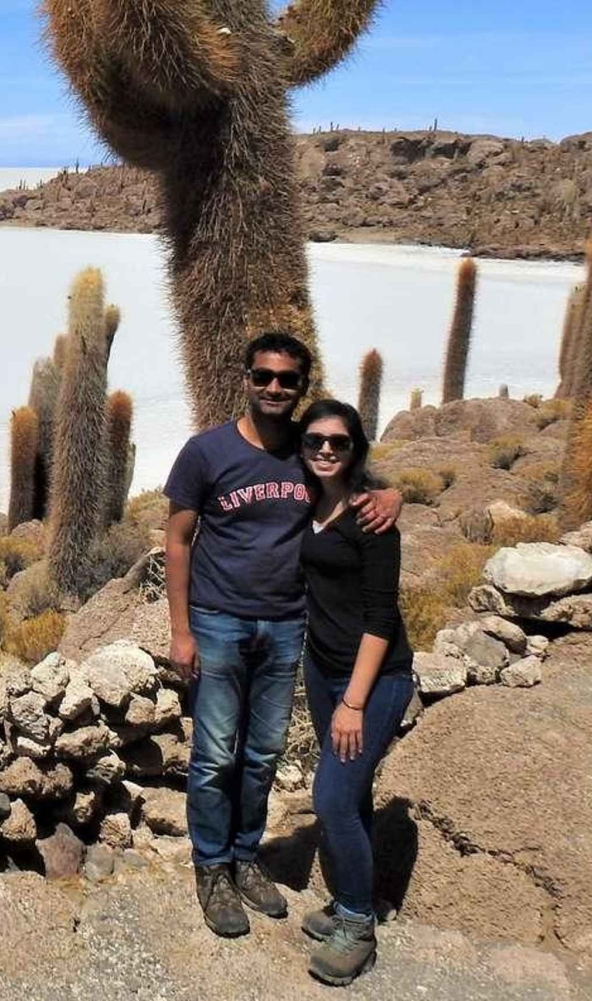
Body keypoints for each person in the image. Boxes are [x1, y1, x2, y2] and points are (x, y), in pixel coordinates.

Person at [163, 331, 401, 938]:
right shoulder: (205, 452)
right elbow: (178, 539)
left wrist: (393, 494)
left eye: (287, 379)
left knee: (264, 752)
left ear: (301, 386)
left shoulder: (309, 447)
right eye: (264, 376)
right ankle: (211, 866)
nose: (274, 387)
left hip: (286, 624)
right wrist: (181, 631)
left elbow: (358, 483)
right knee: (215, 754)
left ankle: (246, 857)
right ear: (245, 379)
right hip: (218, 620)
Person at [296, 399, 415, 986]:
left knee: (333, 799)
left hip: (373, 679)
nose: (325, 449)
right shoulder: (307, 500)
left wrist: (354, 702)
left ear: (355, 448)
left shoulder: (372, 518)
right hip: (321, 670)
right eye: (315, 440)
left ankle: (358, 926)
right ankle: (352, 896)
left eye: (338, 442)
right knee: (354, 793)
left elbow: (381, 617)